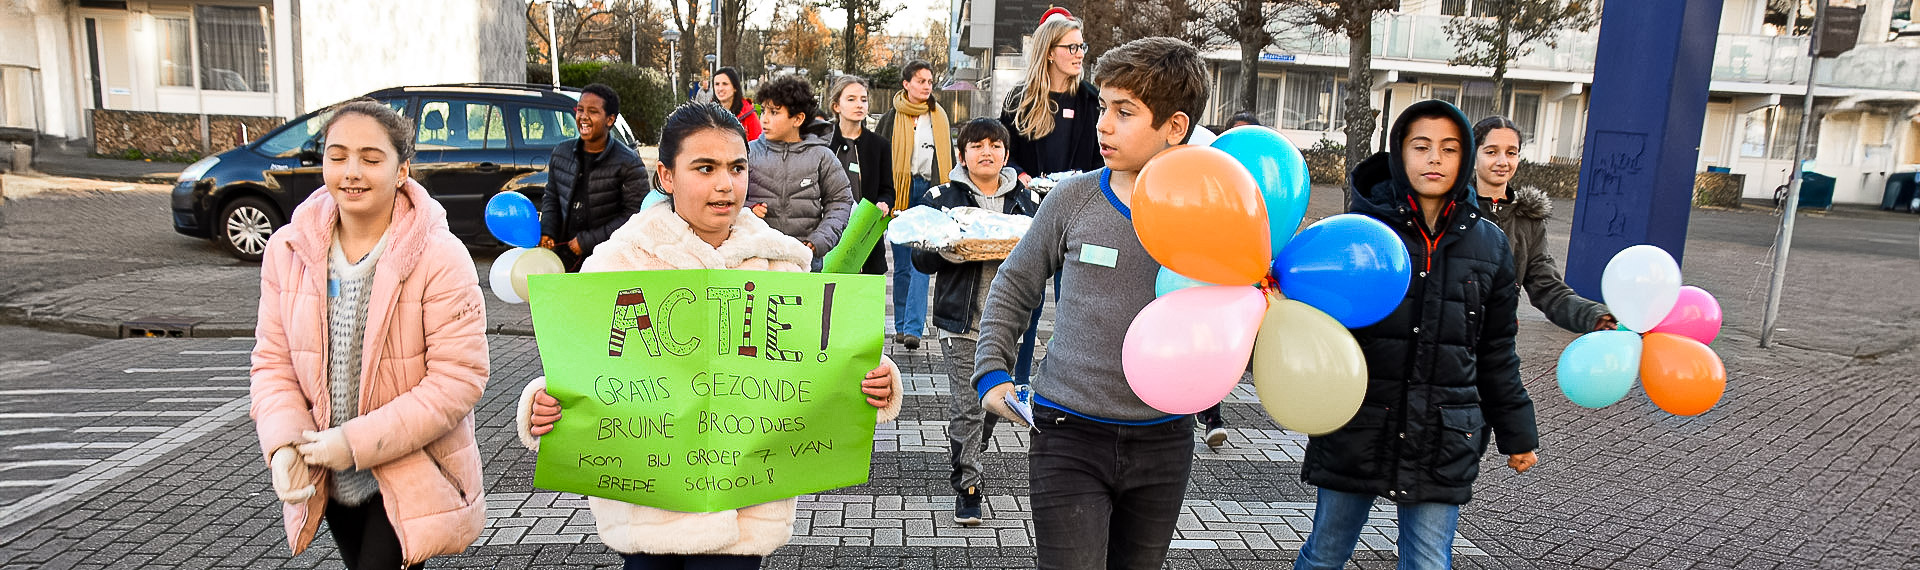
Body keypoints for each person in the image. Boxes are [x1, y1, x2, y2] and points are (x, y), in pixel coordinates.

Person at [516, 102, 904, 570]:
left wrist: (876, 380)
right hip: (647, 508)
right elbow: (579, 369)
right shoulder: (616, 264)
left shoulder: (780, 263)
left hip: (745, 509)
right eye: (705, 168)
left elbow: (818, 367)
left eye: (737, 167)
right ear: (665, 176)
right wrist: (542, 403)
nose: (725, 183)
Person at [971, 37, 1211, 570]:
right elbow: (1014, 284)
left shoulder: (1210, 213)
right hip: (1068, 434)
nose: (1102, 124)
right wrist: (991, 373)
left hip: (1165, 439)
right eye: (1103, 107)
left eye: (1125, 113)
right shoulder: (1073, 198)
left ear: (1175, 127)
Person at [1292, 100, 1540, 570]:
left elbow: (1495, 351)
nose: (1434, 159)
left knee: (1428, 562)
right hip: (1358, 423)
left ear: (1464, 159)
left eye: (1449, 149)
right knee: (1326, 553)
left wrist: (1517, 432)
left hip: (1442, 434)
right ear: (1399, 153)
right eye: (1421, 146)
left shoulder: (1490, 245)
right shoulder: (1361, 233)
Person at [250, 99, 489, 569]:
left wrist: (355, 442)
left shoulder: (440, 256)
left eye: (371, 158)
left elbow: (458, 380)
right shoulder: (288, 248)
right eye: (337, 156)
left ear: (402, 171)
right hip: (331, 473)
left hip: (411, 469)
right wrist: (282, 444)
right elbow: (272, 362)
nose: (351, 172)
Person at [909, 118, 1041, 527]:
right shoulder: (942, 197)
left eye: (995, 144)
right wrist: (947, 249)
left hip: (1009, 321)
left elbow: (1046, 255)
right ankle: (968, 485)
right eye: (977, 145)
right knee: (967, 405)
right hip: (960, 321)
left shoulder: (1026, 198)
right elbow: (919, 256)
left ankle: (972, 448)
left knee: (994, 404)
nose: (986, 151)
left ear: (1005, 152)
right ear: (962, 153)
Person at [1472, 116, 1616, 333]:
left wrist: (1593, 316)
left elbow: (1549, 289)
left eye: (1511, 152)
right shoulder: (1452, 210)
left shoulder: (1528, 220)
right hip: (1449, 343)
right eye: (1491, 152)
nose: (1503, 161)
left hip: (1498, 343)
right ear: (1473, 157)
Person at [875, 59, 951, 351]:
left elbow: (947, 159)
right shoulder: (891, 118)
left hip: (929, 189)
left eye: (930, 82)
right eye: (921, 81)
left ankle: (914, 329)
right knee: (903, 264)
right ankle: (901, 325)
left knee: (921, 260)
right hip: (900, 190)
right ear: (906, 84)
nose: (927, 86)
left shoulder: (939, 116)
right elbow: (880, 157)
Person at [745, 75, 855, 270]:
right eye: (764, 111)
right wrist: (747, 210)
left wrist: (820, 240)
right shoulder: (747, 153)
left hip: (804, 263)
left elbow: (840, 201)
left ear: (798, 119)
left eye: (774, 112)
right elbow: (727, 196)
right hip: (756, 261)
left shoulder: (822, 156)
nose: (765, 119)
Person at [539, 83, 651, 272]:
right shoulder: (561, 153)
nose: (583, 117)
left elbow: (635, 216)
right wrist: (548, 232)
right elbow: (552, 198)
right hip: (563, 258)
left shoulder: (629, 163)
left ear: (610, 120)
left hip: (606, 261)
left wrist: (587, 241)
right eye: (580, 110)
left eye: (593, 111)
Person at [826, 75, 896, 276]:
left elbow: (887, 190)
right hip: (829, 235)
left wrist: (884, 203)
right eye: (851, 99)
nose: (859, 105)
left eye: (863, 99)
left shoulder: (879, 145)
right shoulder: (823, 143)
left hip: (866, 239)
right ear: (836, 106)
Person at [712, 67, 761, 141]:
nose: (720, 88)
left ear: (735, 88)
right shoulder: (708, 115)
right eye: (717, 84)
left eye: (725, 84)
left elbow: (758, 145)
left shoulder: (748, 115)